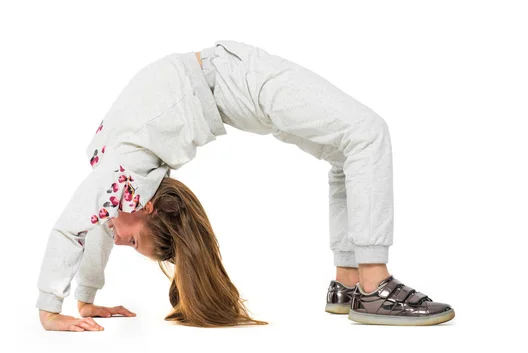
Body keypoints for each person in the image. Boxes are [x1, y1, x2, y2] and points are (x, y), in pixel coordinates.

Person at [36, 40, 455, 331]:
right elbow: (93, 230)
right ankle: (353, 284)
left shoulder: (122, 181)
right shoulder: (121, 185)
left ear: (145, 207)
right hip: (230, 89)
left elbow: (71, 229)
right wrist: (86, 298)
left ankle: (367, 284)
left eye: (129, 242)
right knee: (354, 145)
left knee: (364, 135)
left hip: (235, 79)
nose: (115, 234)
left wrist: (49, 309)